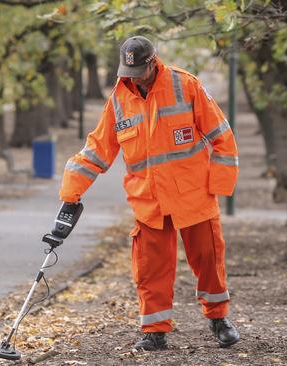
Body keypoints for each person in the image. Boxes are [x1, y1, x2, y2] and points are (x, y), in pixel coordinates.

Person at [59, 35, 240, 351]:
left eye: (140, 72)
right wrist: (70, 192)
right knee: (150, 269)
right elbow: (96, 151)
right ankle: (154, 331)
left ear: (153, 62)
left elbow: (222, 137)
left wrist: (219, 186)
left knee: (209, 261)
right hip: (149, 200)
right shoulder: (118, 99)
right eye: (128, 73)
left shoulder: (187, 86)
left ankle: (219, 319)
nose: (135, 79)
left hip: (193, 197)